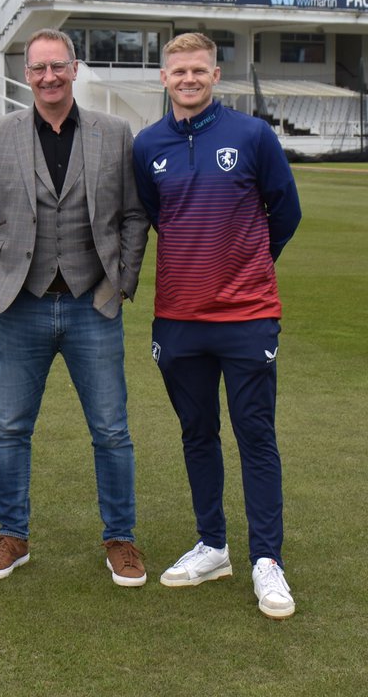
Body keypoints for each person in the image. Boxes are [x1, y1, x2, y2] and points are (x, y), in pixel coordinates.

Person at [0, 29, 150, 586]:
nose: (48, 77)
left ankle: (121, 538)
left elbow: (134, 216)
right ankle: (12, 535)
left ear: (75, 68)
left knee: (112, 430)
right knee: (9, 428)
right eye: (38, 68)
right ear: (27, 74)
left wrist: (121, 280)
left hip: (94, 304)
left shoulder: (114, 133)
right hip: (22, 305)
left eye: (57, 67)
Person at [132, 32, 302, 620]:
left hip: (247, 318)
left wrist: (249, 266)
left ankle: (267, 562)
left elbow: (286, 210)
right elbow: (158, 216)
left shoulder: (253, 135)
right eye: (178, 71)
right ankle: (213, 545)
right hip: (178, 320)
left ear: (215, 75)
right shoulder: (147, 144)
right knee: (196, 434)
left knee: (256, 436)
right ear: (164, 78)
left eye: (199, 70)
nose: (188, 79)